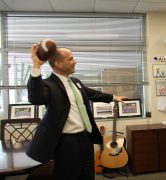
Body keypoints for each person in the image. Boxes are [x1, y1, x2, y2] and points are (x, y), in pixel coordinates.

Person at [26, 44, 127, 180]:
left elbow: (92, 93)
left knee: (87, 175)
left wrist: (113, 97)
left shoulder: (75, 82)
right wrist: (36, 66)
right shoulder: (48, 85)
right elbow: (35, 97)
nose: (75, 61)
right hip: (67, 142)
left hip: (86, 138)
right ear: (58, 63)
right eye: (71, 59)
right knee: (68, 175)